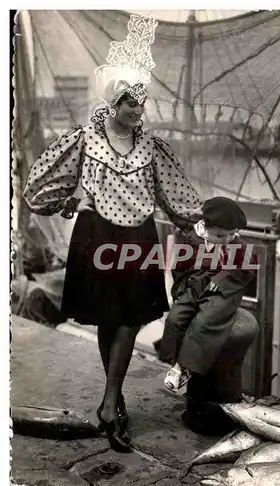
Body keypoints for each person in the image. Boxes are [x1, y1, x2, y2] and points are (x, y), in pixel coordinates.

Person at [23, 14, 202, 453]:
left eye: (141, 102)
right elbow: (38, 186)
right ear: (112, 103)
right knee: (108, 318)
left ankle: (108, 400)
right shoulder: (84, 139)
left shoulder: (151, 145)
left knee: (129, 317)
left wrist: (198, 228)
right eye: (129, 102)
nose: (137, 109)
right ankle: (114, 400)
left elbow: (176, 195)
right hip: (96, 235)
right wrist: (69, 203)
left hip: (139, 238)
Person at [158, 197, 258, 392]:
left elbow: (246, 270)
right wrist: (181, 291)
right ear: (205, 227)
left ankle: (184, 368)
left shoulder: (239, 246)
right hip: (196, 284)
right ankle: (175, 360)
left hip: (224, 288)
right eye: (220, 235)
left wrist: (220, 280)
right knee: (176, 317)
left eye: (231, 234)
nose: (227, 239)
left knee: (205, 320)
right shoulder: (192, 238)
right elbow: (180, 266)